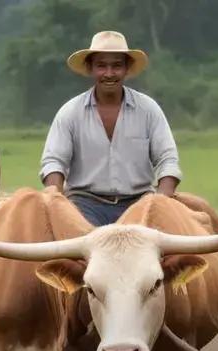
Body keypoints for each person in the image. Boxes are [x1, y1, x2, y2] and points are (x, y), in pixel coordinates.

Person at [39, 30, 182, 226]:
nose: (109, 74)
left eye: (116, 66)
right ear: (90, 68)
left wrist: (160, 202)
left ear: (126, 68)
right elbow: (54, 162)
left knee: (170, 254)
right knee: (69, 251)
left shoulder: (148, 109)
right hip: (84, 204)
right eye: (101, 66)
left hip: (139, 203)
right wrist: (56, 202)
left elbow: (167, 160)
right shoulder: (70, 112)